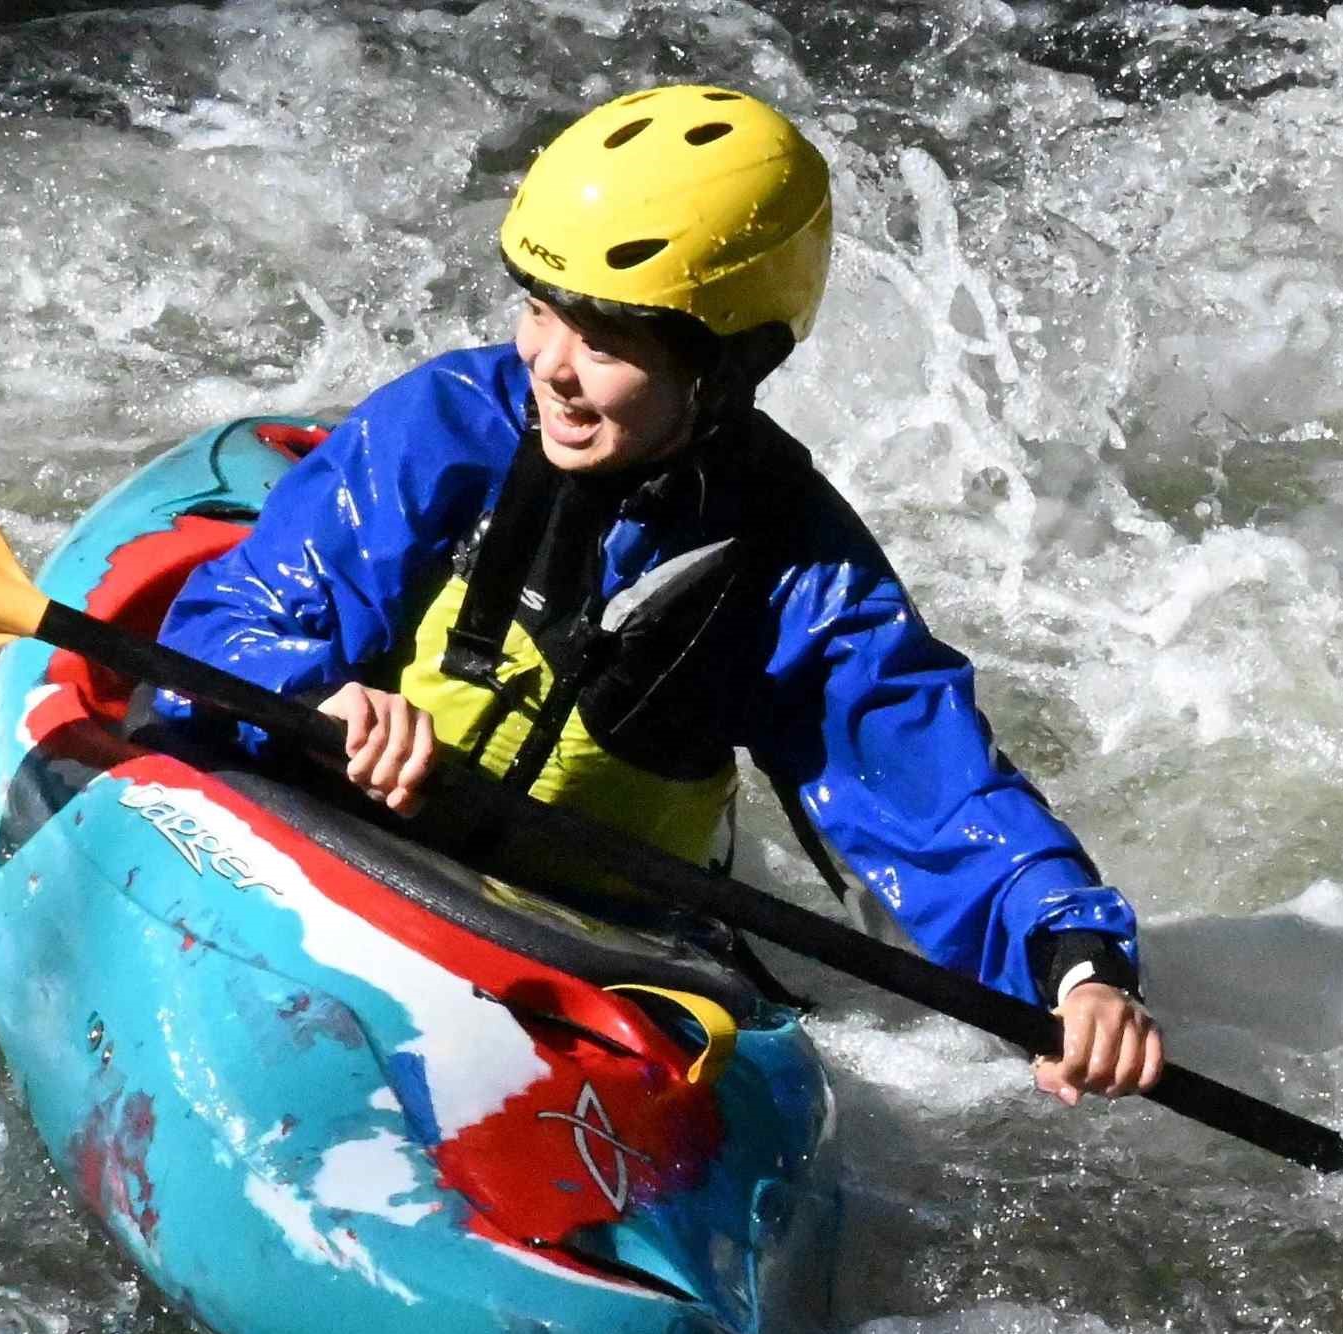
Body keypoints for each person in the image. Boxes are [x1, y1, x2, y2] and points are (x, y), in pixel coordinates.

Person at [151, 84, 1161, 1104]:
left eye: (605, 343)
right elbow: (224, 625)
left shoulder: (791, 564)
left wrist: (1076, 965)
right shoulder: (444, 427)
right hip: (346, 848)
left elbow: (935, 795)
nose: (552, 366)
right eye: (540, 312)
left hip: (600, 951)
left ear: (721, 370)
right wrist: (311, 694)